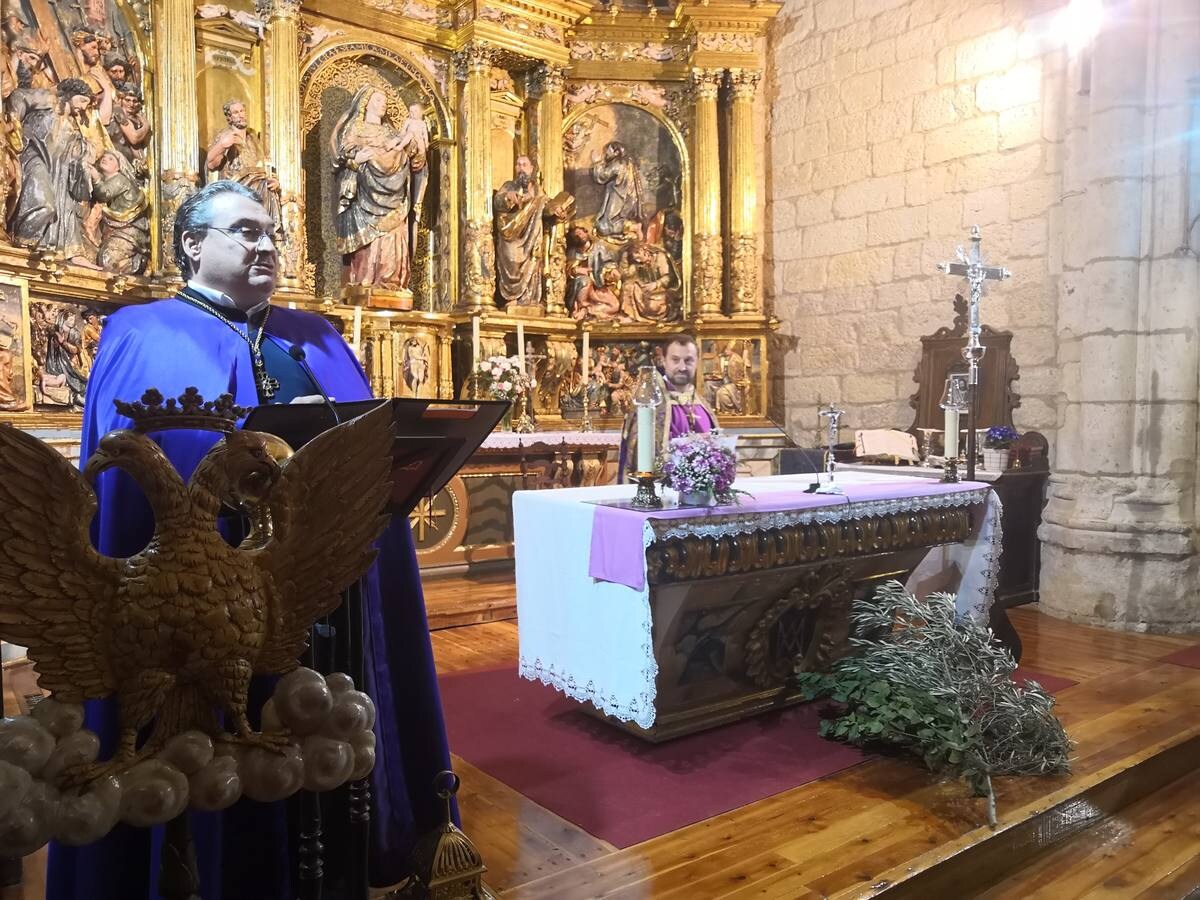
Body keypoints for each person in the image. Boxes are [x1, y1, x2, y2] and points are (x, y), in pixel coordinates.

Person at [47, 180, 454, 900]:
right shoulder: (143, 332)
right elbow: (131, 490)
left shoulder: (318, 336)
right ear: (193, 244)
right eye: (245, 230)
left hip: (330, 590)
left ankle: (348, 860)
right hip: (210, 600)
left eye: (272, 232)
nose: (266, 243)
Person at [332, 86, 414, 289]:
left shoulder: (391, 132)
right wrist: (356, 160)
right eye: (378, 100)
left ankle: (391, 281)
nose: (383, 103)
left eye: (385, 100)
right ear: (366, 103)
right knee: (369, 242)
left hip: (395, 192)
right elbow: (343, 158)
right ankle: (365, 281)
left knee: (393, 234)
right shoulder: (355, 129)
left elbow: (408, 154)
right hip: (365, 194)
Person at [618, 333, 718, 481]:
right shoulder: (650, 402)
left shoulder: (703, 405)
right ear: (663, 361)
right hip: (662, 491)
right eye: (675, 360)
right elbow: (636, 454)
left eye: (689, 360)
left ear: (697, 362)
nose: (682, 367)